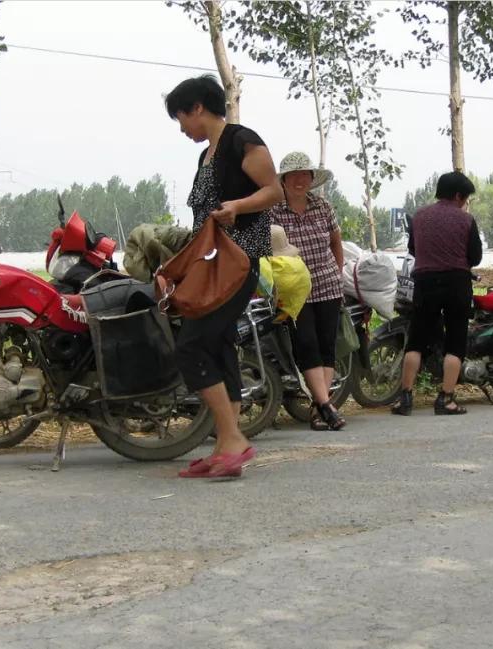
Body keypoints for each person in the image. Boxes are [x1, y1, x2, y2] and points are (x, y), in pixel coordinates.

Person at [165, 75, 283, 478]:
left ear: (197, 107)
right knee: (217, 346)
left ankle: (234, 439)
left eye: (181, 118)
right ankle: (224, 446)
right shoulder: (206, 156)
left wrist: (237, 206)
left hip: (237, 262)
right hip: (210, 263)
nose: (182, 129)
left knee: (192, 346)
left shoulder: (240, 140)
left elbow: (274, 191)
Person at [391, 171, 483, 416]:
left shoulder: (419, 217)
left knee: (417, 340)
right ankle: (446, 398)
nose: (465, 203)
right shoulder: (466, 220)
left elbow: (413, 249)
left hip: (425, 281)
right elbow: (475, 257)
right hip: (457, 282)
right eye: (465, 198)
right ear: (457, 195)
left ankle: (405, 398)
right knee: (455, 341)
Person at [269, 152, 347, 431]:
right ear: (284, 180)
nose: (300, 180)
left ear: (312, 179)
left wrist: (337, 273)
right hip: (293, 290)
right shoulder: (274, 210)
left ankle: (320, 407)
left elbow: (336, 243)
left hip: (327, 284)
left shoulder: (323, 206)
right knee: (306, 346)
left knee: (327, 346)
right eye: (294, 176)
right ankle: (326, 406)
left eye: (305, 175)